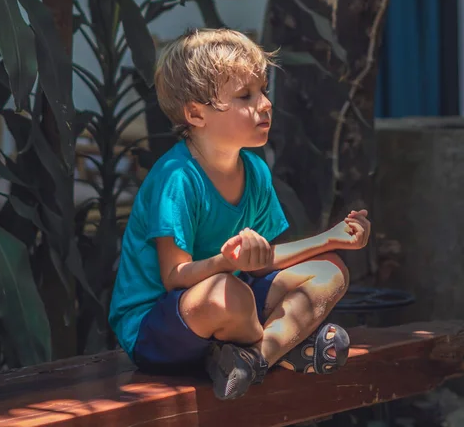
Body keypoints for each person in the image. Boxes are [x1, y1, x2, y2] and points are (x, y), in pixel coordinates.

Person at [109, 28, 371, 400]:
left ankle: (252, 360)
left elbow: (262, 263)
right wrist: (225, 260)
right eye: (245, 95)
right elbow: (174, 277)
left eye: (263, 90)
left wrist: (329, 239)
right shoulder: (177, 178)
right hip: (160, 327)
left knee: (330, 271)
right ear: (196, 113)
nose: (265, 103)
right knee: (225, 294)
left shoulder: (256, 170)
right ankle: (285, 351)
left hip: (238, 311)